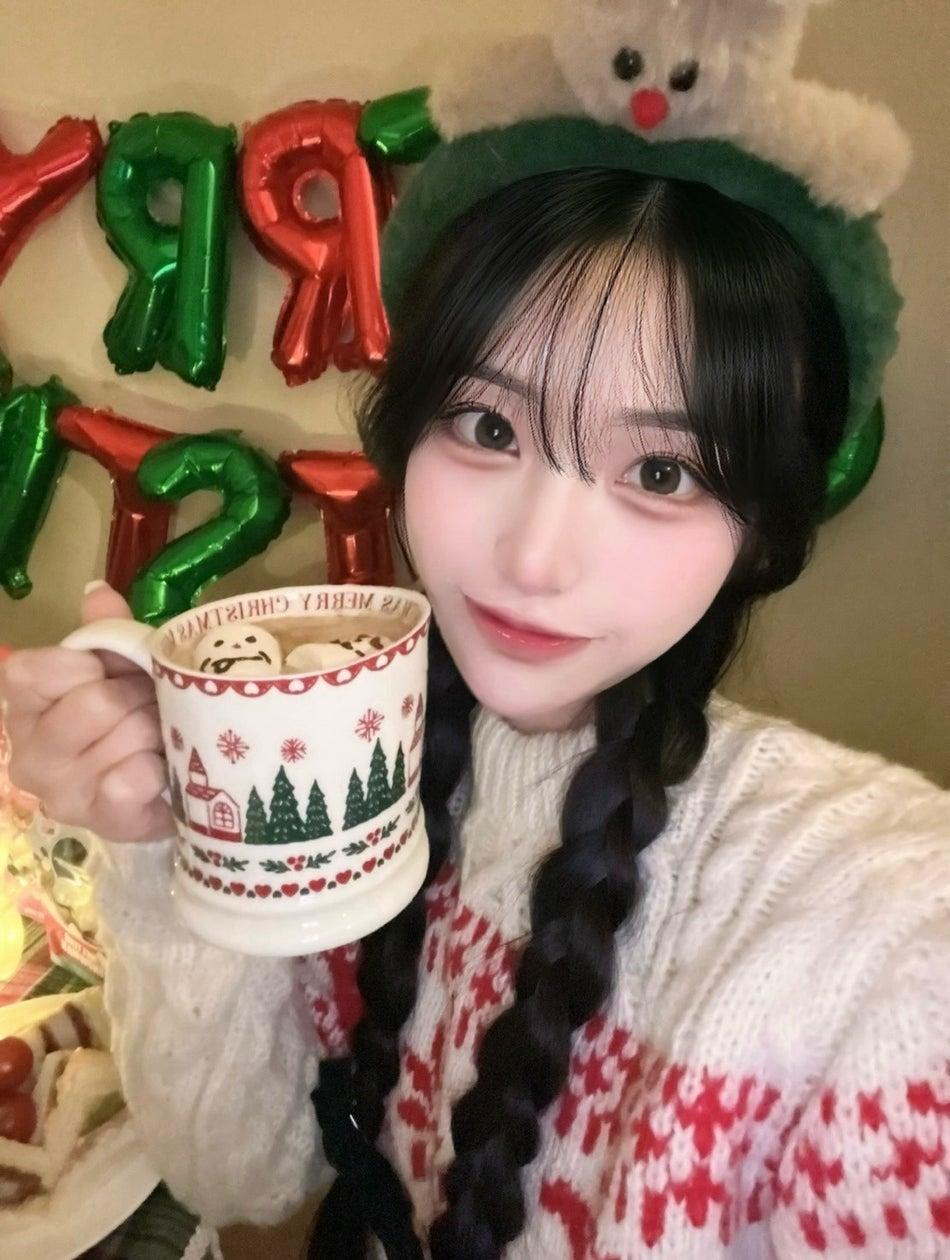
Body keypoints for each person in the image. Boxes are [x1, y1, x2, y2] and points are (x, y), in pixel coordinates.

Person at [2, 4, 948, 1258]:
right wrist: (161, 845)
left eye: (660, 472)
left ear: (757, 529)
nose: (534, 559)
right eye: (489, 428)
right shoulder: (349, 764)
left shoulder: (881, 938)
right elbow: (238, 1171)